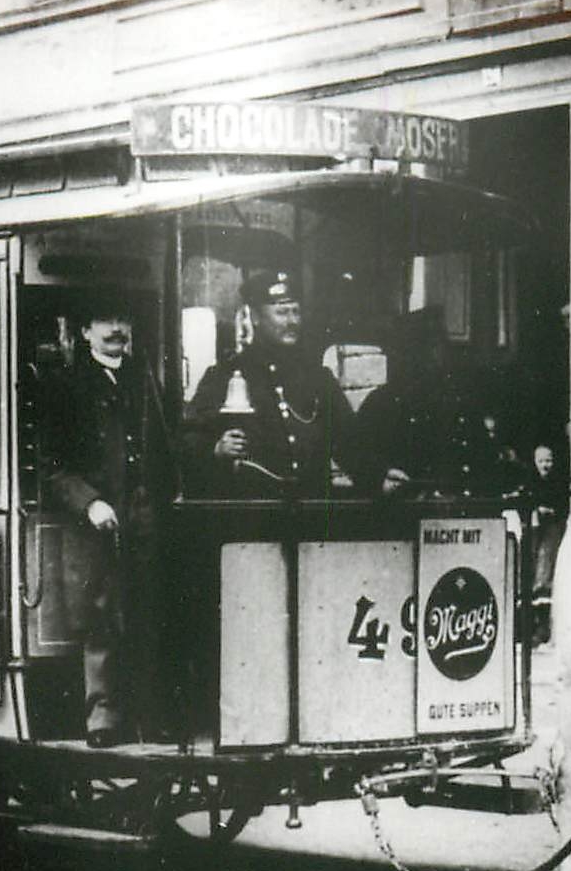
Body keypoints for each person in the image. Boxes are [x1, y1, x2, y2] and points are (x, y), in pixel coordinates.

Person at [42, 300, 173, 747]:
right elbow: (50, 465)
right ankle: (103, 717)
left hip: (142, 512)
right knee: (101, 615)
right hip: (94, 521)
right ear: (85, 332)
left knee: (147, 611)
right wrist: (89, 502)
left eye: (123, 319)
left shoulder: (146, 379)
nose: (117, 328)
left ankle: (150, 716)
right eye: (106, 320)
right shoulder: (65, 386)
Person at [185, 269, 373, 498]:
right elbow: (189, 438)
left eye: (296, 312)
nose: (292, 321)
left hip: (310, 511)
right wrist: (215, 449)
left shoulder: (317, 378)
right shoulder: (225, 375)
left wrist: (378, 476)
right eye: (282, 313)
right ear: (255, 317)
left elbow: (349, 441)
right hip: (252, 515)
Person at [356, 309, 516, 498]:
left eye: (439, 345)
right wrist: (381, 478)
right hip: (404, 511)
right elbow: (359, 457)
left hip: (456, 511)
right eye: (428, 346)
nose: (437, 355)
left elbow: (480, 458)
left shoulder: (459, 402)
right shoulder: (381, 403)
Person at [527, 441, 568, 646]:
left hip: (551, 530)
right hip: (535, 530)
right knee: (531, 573)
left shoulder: (557, 482)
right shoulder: (530, 481)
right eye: (542, 461)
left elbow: (562, 507)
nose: (546, 465)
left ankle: (543, 628)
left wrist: (550, 512)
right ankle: (531, 626)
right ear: (535, 462)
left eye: (549, 461)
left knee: (545, 574)